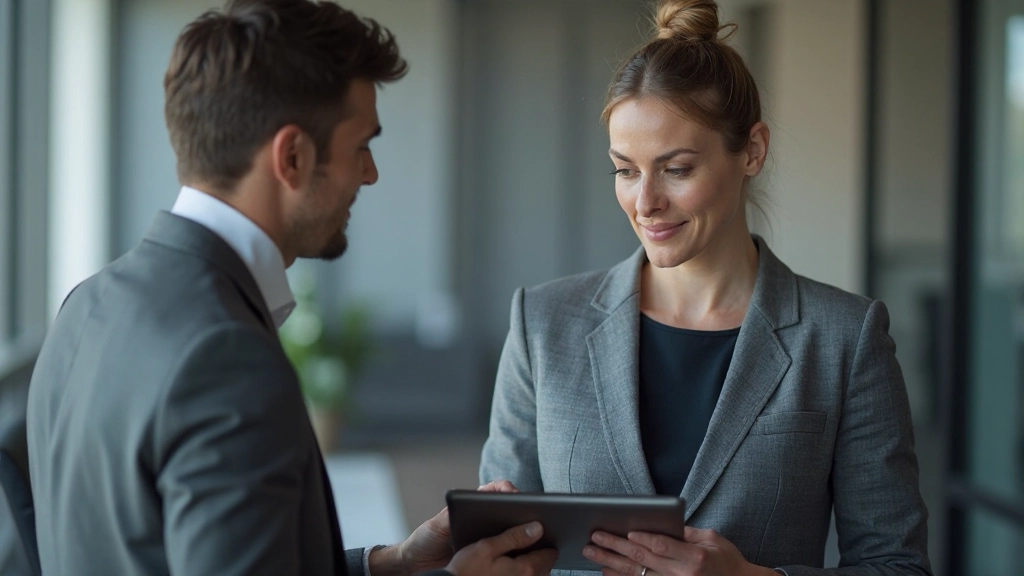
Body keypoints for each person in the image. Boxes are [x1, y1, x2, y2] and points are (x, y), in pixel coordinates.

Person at [26, 1, 558, 575]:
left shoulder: (87, 303)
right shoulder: (225, 357)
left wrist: (392, 563)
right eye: (362, 145)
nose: (370, 172)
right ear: (294, 156)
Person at [479, 0, 931, 575]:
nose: (645, 203)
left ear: (754, 152)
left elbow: (898, 565)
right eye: (625, 169)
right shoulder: (542, 322)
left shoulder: (844, 337)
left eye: (677, 168)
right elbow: (501, 551)